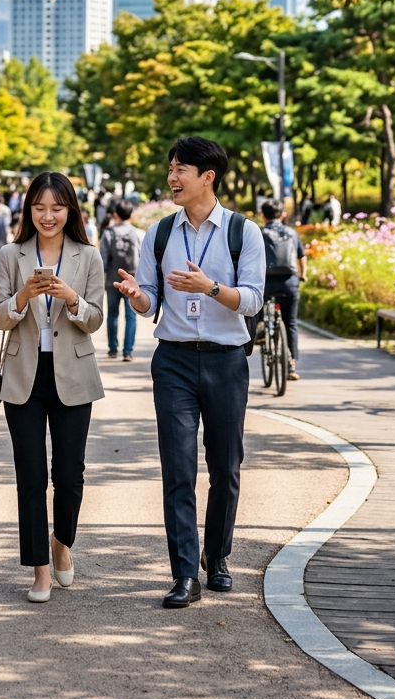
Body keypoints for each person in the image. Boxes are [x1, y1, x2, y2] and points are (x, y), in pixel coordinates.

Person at [115, 137, 265, 609]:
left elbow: (254, 300)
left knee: (226, 467)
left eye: (181, 169)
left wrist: (212, 287)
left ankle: (216, 558)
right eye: (171, 168)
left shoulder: (244, 232)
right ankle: (183, 575)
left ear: (208, 177)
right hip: (174, 360)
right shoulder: (159, 234)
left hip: (226, 360)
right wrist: (137, 296)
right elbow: (150, 303)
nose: (172, 178)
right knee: (178, 471)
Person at [0, 171, 105, 603]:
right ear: (29, 211)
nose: (48, 216)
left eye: (56, 208)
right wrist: (23, 296)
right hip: (24, 377)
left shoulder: (87, 257)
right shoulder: (10, 254)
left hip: (73, 376)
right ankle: (39, 570)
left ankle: (62, 545)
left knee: (70, 476)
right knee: (31, 476)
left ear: (70, 210)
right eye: (39, 208)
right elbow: (0, 317)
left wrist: (71, 298)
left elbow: (94, 320)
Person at [260, 199, 307, 381]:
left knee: (256, 308)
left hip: (265, 282)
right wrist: (303, 275)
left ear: (262, 216)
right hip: (289, 282)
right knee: (291, 323)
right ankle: (292, 363)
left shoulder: (259, 232)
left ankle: (260, 330)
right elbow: (301, 256)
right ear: (283, 215)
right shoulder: (292, 233)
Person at [100, 200, 143, 362]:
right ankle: (128, 351)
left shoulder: (108, 233)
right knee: (131, 316)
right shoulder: (138, 234)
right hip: (132, 281)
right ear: (131, 215)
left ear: (115, 215)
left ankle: (112, 349)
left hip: (113, 280)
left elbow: (103, 259)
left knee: (113, 315)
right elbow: (143, 259)